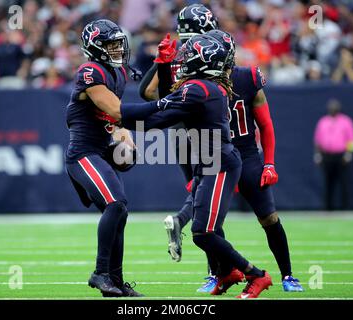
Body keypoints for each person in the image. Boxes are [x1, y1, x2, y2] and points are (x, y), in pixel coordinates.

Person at [141, 4, 303, 293]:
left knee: (268, 217)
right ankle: (219, 274)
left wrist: (269, 163)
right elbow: (157, 98)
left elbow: (265, 125)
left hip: (243, 153)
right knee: (209, 223)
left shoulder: (244, 78)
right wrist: (162, 63)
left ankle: (287, 274)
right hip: (213, 153)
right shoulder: (196, 84)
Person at [99, 33, 273, 299]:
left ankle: (256, 275)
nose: (184, 60)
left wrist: (119, 115)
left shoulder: (200, 89)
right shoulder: (203, 87)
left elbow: (158, 114)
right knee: (201, 233)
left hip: (219, 165)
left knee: (204, 232)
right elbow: (169, 103)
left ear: (204, 63)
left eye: (189, 56)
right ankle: (227, 272)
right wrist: (165, 66)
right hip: (208, 163)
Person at [64, 19, 143, 297]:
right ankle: (100, 273)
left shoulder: (117, 73)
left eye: (118, 43)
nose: (118, 49)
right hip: (82, 155)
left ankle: (116, 280)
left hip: (101, 153)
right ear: (96, 47)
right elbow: (113, 108)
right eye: (110, 44)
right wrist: (159, 112)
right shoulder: (90, 71)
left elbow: (114, 118)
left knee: (119, 212)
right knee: (116, 204)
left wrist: (123, 135)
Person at [314, 99, 353, 210]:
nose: (332, 109)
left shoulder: (346, 121)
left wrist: (348, 153)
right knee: (328, 183)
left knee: (344, 183)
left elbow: (351, 140)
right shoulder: (323, 121)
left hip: (341, 156)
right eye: (331, 107)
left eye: (335, 107)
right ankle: (328, 208)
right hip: (327, 155)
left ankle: (345, 208)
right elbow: (318, 140)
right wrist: (318, 154)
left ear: (339, 108)